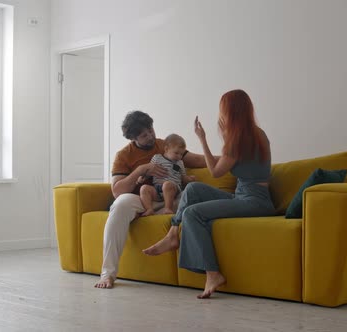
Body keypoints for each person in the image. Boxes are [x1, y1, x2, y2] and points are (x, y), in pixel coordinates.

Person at [142, 89, 276, 299]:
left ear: (230, 112)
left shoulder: (238, 139)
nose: (219, 115)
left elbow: (214, 171)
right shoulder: (256, 133)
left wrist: (202, 139)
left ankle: (212, 273)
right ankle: (173, 234)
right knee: (193, 189)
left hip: (255, 201)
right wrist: (224, 138)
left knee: (193, 213)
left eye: (222, 110)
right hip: (245, 196)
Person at [94, 111, 206, 289]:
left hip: (171, 198)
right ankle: (107, 274)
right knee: (120, 204)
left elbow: (197, 160)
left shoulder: (165, 144)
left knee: (193, 193)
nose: (151, 136)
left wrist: (229, 158)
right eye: (144, 135)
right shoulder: (124, 155)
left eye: (151, 130)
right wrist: (141, 170)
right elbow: (117, 190)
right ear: (133, 138)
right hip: (143, 198)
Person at [137, 133, 195, 216]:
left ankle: (168, 208)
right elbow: (149, 171)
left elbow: (182, 177)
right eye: (176, 153)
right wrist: (143, 177)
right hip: (157, 189)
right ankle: (149, 209)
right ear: (167, 149)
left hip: (173, 188)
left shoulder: (179, 163)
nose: (179, 156)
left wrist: (189, 179)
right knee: (144, 188)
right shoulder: (157, 158)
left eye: (181, 154)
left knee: (167, 185)